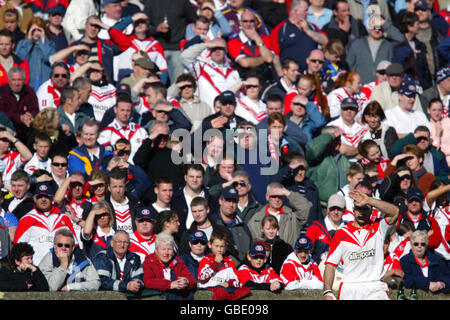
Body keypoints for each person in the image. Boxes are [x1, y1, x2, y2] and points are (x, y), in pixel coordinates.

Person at [323, 185, 400, 300]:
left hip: (374, 287)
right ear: (353, 210)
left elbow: (395, 212)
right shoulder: (341, 234)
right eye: (359, 208)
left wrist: (369, 200)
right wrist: (327, 291)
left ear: (372, 211)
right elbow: (330, 264)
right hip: (349, 287)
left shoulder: (379, 227)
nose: (361, 212)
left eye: (365, 208)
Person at [13, 182, 77, 265]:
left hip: (62, 268)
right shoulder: (26, 219)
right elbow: (18, 249)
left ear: (52, 198)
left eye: (46, 196)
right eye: (40, 197)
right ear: (35, 199)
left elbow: (75, 245)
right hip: (36, 269)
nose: (43, 199)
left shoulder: (63, 218)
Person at [181, 37, 241, 111]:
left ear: (225, 51)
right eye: (213, 48)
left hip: (231, 115)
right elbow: (185, 57)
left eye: (220, 48)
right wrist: (206, 45)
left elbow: (239, 97)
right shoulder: (201, 67)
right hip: (208, 115)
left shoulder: (234, 72)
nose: (217, 51)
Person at [270, 0, 328, 75]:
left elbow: (325, 40)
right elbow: (275, 56)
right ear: (296, 11)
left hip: (310, 75)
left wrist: (308, 31)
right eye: (305, 10)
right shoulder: (281, 29)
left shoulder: (312, 27)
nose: (308, 13)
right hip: (290, 76)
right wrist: (281, 76)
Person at [345, 14, 405, 85]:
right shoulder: (358, 44)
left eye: (380, 27)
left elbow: (401, 39)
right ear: (369, 27)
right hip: (362, 87)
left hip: (382, 86)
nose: (377, 30)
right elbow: (349, 64)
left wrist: (384, 23)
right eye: (374, 26)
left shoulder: (388, 45)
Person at [247, 182, 311, 248]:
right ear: (267, 197)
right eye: (274, 196)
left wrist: (287, 193)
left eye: (280, 196)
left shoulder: (292, 216)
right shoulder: (256, 219)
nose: (277, 199)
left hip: (288, 256)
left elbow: (305, 207)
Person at [305, 193, 346, 290]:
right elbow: (306, 253)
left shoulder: (349, 229)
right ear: (327, 209)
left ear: (344, 210)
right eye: (332, 209)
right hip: (320, 272)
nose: (336, 212)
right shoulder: (315, 228)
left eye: (339, 209)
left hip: (344, 271)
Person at [142, 232, 197, 300]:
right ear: (156, 250)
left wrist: (186, 281)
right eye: (163, 249)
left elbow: (192, 280)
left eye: (169, 249)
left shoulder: (178, 262)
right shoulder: (149, 262)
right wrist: (170, 285)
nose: (166, 253)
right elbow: (148, 281)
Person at [305, 125, 352, 205]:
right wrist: (331, 135)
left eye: (339, 139)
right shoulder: (316, 158)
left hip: (342, 205)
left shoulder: (344, 160)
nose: (338, 142)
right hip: (321, 205)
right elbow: (312, 148)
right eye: (334, 139)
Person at [197, 230, 251, 300]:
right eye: (216, 246)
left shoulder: (229, 262)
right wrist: (215, 263)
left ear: (226, 247)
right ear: (210, 245)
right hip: (208, 291)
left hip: (224, 291)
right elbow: (202, 278)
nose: (219, 249)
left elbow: (237, 282)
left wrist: (229, 283)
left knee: (244, 291)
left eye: (222, 246)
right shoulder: (205, 260)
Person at [226, 10, 274, 85]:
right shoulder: (233, 42)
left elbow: (269, 59)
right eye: (245, 21)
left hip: (265, 81)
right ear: (240, 23)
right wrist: (263, 58)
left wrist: (257, 39)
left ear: (256, 23)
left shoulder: (265, 39)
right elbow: (245, 63)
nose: (248, 24)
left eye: (251, 21)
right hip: (245, 82)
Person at [98, 98, 148, 163]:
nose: (125, 113)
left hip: (136, 170)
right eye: (122, 110)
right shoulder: (107, 132)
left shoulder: (141, 131)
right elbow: (101, 151)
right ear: (115, 110)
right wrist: (115, 147)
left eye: (128, 110)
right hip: (116, 170)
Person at [15, 17, 56, 90]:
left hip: (45, 83)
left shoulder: (51, 45)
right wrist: (29, 40)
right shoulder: (22, 44)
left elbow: (48, 59)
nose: (36, 33)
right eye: (34, 30)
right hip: (27, 84)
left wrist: (43, 42)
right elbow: (21, 59)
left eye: (39, 30)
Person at [0, 66, 38, 138]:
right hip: (6, 132)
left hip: (26, 131)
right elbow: (2, 113)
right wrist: (19, 118)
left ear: (24, 80)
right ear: (9, 80)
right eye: (13, 80)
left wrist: (30, 116)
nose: (16, 83)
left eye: (19, 80)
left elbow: (35, 110)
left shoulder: (30, 92)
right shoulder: (2, 92)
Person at [106, 167, 142, 236]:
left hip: (133, 244)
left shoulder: (136, 204)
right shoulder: (104, 206)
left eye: (121, 186)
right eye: (114, 187)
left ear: (125, 187)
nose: (118, 190)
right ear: (109, 187)